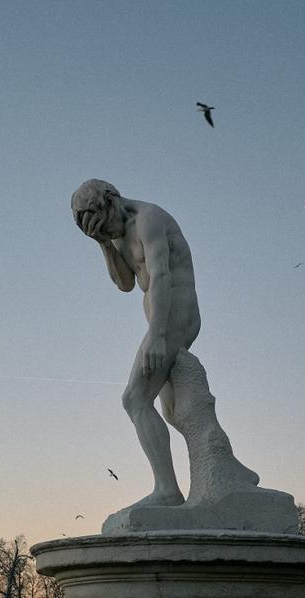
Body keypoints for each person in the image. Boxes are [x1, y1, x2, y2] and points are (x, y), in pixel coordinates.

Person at [71, 179, 201, 508]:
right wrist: (103, 243)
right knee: (174, 412)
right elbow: (126, 283)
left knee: (134, 398)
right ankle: (225, 468)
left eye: (108, 225)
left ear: (112, 200)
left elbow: (160, 276)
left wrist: (157, 334)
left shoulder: (149, 219)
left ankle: (167, 491)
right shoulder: (116, 232)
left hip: (174, 313)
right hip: (163, 318)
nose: (111, 232)